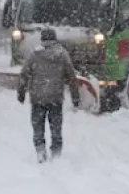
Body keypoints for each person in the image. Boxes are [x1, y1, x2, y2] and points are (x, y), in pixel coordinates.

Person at [17, 28, 81, 162]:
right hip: (55, 98)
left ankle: (40, 151)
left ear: (42, 39)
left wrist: (21, 92)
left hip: (37, 98)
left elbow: (24, 74)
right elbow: (71, 77)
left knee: (38, 127)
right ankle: (56, 154)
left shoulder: (34, 54)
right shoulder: (62, 54)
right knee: (56, 128)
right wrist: (75, 97)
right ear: (55, 39)